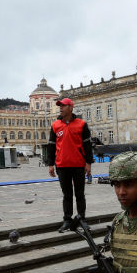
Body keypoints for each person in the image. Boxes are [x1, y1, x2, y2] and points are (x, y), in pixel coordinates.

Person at [47, 98, 93, 233]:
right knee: (67, 194)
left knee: (80, 194)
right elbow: (51, 146)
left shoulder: (81, 124)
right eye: (59, 106)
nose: (60, 108)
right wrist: (50, 164)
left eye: (63, 106)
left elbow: (87, 145)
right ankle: (67, 220)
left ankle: (82, 219)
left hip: (78, 165)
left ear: (71, 107)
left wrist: (88, 163)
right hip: (62, 166)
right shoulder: (55, 125)